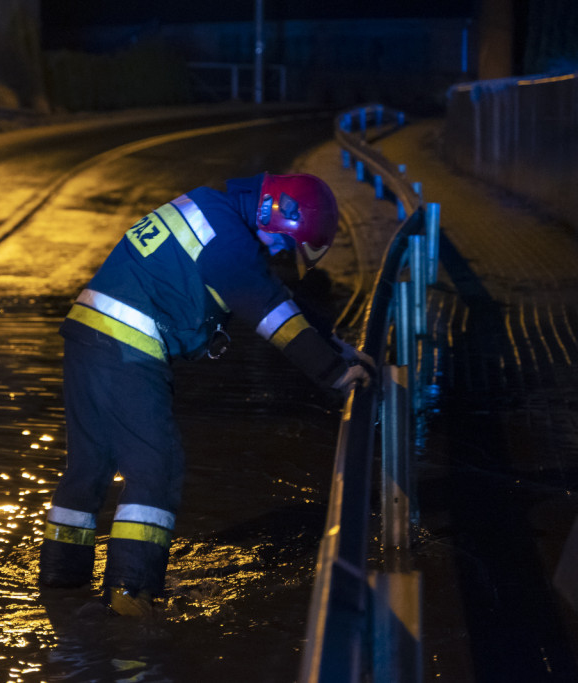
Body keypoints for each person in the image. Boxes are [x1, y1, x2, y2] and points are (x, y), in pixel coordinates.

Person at [37, 172, 374, 617]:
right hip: (127, 346)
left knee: (90, 465)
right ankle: (129, 595)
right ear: (278, 215)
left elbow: (274, 291)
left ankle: (62, 578)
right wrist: (334, 372)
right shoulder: (230, 240)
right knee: (157, 465)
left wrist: (337, 345)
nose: (277, 254)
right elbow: (273, 313)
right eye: (282, 245)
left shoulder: (213, 212)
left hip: (87, 335)